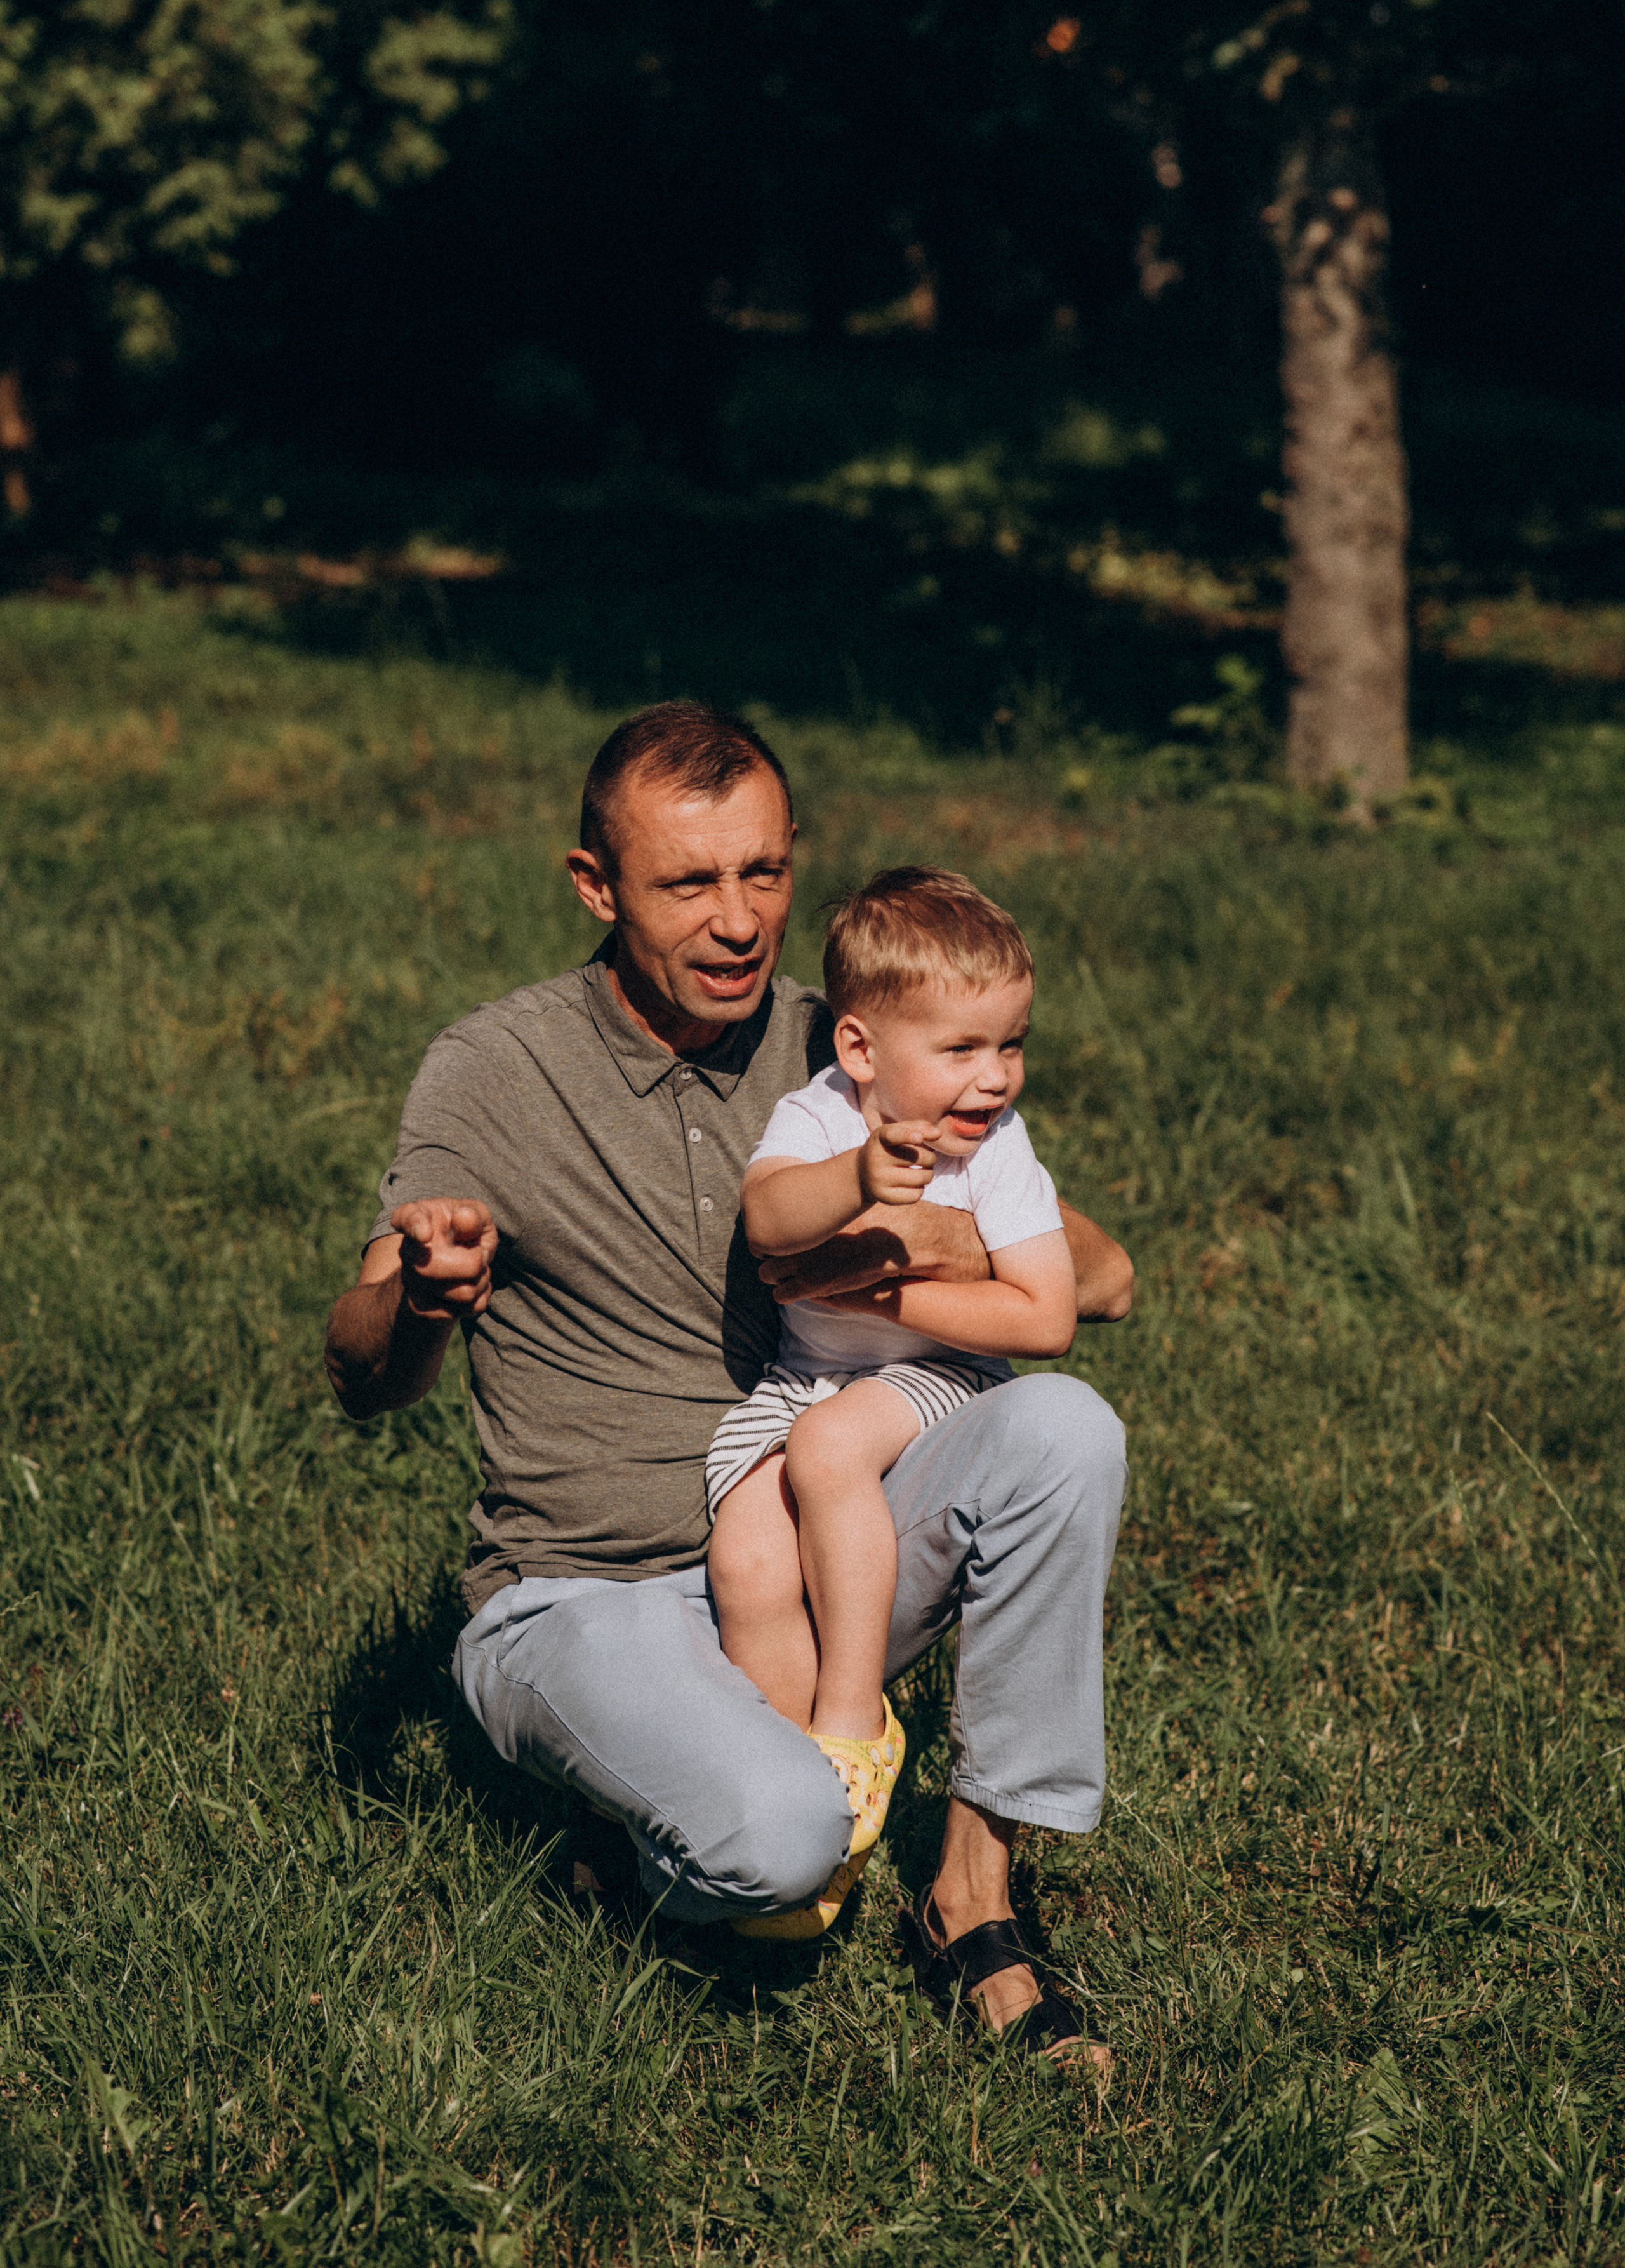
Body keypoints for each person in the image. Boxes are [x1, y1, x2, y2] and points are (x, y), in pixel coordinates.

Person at [323, 701, 1133, 2062]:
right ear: (596, 886)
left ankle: (971, 1893)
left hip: (815, 1548)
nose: (737, 921)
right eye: (687, 883)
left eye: (761, 873)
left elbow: (1097, 1277)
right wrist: (417, 1293)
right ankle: (632, 1831)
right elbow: (360, 1372)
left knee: (1061, 1426)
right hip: (581, 1588)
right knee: (777, 1840)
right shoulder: (497, 1068)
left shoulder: (849, 1039)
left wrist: (908, 1238)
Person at [707, 867, 1078, 1941]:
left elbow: (1048, 1317)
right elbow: (774, 1221)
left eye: (1009, 1044)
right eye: (961, 1050)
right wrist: (862, 1180)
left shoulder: (999, 1153)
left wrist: (891, 1288)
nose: (994, 1079)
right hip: (804, 1377)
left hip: (938, 1375)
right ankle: (802, 1813)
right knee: (747, 1557)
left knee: (830, 1451)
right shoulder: (817, 1115)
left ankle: (850, 1735)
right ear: (861, 1051)